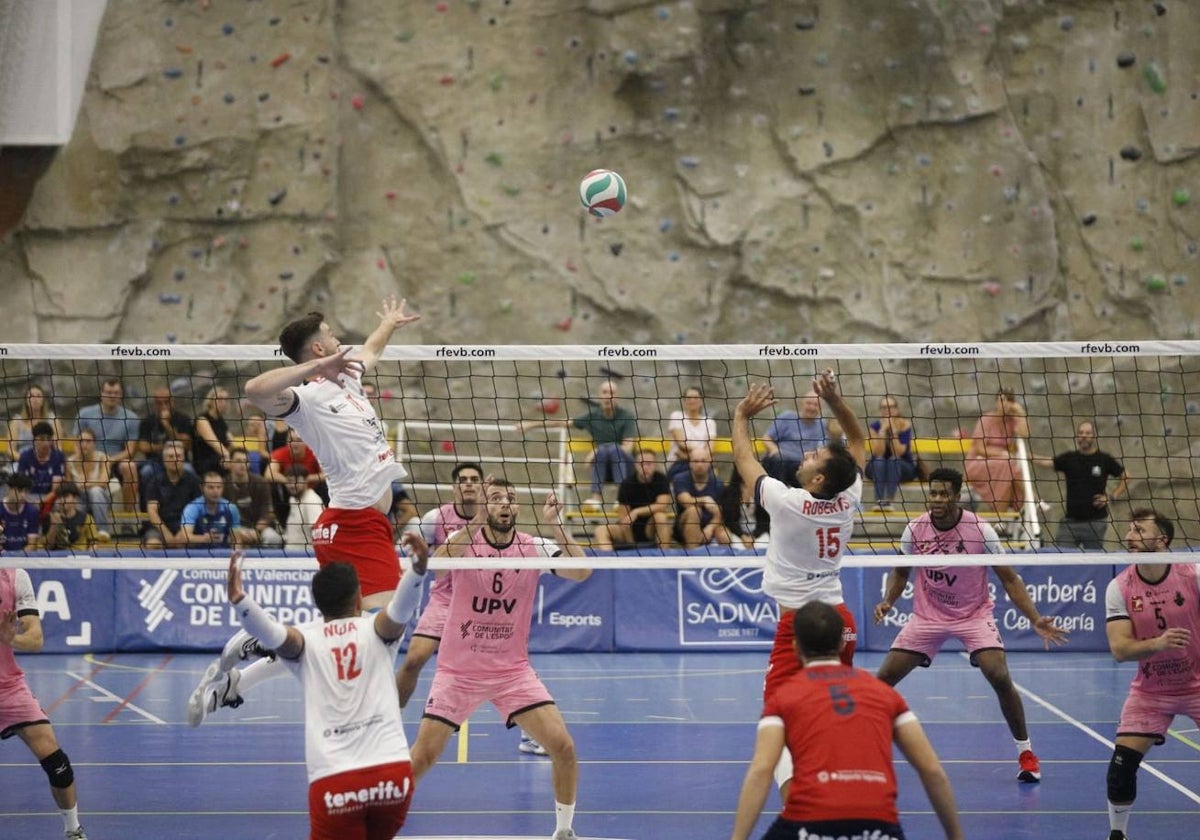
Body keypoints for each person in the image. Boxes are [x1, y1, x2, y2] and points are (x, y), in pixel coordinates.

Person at [189, 299, 419, 723]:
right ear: (318, 350)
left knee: (352, 636)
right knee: (383, 634)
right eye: (329, 334)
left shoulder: (347, 376)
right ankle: (264, 646)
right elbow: (255, 391)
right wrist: (315, 371)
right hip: (355, 523)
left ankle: (245, 672)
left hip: (356, 522)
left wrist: (387, 323)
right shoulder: (306, 399)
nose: (336, 338)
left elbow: (371, 348)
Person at [409, 479, 590, 840]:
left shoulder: (533, 547)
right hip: (459, 671)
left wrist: (556, 525)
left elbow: (582, 571)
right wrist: (473, 523)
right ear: (485, 507)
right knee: (423, 757)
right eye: (495, 499)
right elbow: (437, 563)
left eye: (511, 499)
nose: (504, 504)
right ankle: (375, 821)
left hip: (511, 672)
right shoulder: (466, 544)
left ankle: (564, 831)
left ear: (518, 508)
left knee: (563, 747)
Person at [219, 540, 429, 840]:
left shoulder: (305, 640)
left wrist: (242, 602)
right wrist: (417, 571)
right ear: (359, 598)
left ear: (318, 605)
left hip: (336, 781)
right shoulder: (376, 630)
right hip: (392, 774)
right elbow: (400, 610)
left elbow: (271, 633)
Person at [872, 467, 1070, 783]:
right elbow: (900, 572)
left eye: (943, 493)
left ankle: (1026, 753)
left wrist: (1034, 618)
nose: (936, 499)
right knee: (881, 681)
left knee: (999, 674)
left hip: (973, 616)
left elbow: (1009, 579)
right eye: (933, 492)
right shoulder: (915, 529)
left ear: (956, 494)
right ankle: (860, 748)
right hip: (927, 617)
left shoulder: (980, 530)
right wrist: (888, 601)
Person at [731, 371, 865, 793]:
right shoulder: (848, 498)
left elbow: (743, 461)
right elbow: (860, 444)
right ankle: (837, 787)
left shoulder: (789, 503)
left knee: (775, 720)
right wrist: (837, 402)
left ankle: (799, 810)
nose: (806, 456)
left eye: (813, 458)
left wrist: (740, 416)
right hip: (841, 621)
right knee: (831, 711)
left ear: (817, 480)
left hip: (798, 629)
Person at [730, 601, 962, 840]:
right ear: (843, 643)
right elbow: (932, 770)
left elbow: (761, 771)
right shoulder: (885, 694)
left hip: (809, 824)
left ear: (795, 647)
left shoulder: (783, 697)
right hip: (878, 828)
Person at [396, 463, 554, 757]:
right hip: (446, 598)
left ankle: (531, 732)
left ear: (484, 488)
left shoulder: (503, 521)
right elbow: (415, 552)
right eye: (463, 481)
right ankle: (389, 721)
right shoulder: (436, 518)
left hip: (482, 601)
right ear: (455, 487)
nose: (469, 485)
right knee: (414, 657)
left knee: (508, 660)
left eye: (474, 480)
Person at [1102, 509, 1199, 840]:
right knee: (1119, 770)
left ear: (1162, 540)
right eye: (1129, 530)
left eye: (1139, 530)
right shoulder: (1119, 587)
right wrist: (1158, 643)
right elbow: (1119, 650)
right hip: (1151, 692)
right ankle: (1118, 834)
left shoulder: (1193, 575)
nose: (1129, 536)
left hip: (1198, 684)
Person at [0, 563, 90, 839]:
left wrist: (11, 638)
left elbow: (36, 639)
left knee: (57, 762)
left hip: (8, 688)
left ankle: (73, 830)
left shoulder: (15, 577)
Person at [518, 379, 637, 508]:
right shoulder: (593, 416)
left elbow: (628, 448)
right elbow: (562, 422)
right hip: (604, 469)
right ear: (600, 396)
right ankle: (596, 499)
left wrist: (598, 450)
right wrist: (530, 424)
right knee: (603, 451)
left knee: (611, 449)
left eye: (612, 392)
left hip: (626, 468)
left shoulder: (627, 416)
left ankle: (622, 498)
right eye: (605, 392)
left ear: (617, 397)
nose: (608, 396)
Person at [1032, 420, 1129, 550]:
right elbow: (1048, 462)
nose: (1083, 435)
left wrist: (1111, 496)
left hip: (1095, 523)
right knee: (1061, 557)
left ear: (1094, 436)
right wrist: (1026, 456)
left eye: (1087, 433)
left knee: (1093, 563)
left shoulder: (1103, 459)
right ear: (1077, 437)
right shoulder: (1069, 458)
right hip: (1070, 523)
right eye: (1081, 433)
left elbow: (1126, 476)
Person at [72, 377, 141, 514]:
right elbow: (75, 441)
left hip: (115, 461)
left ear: (121, 395)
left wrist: (109, 460)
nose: (112, 396)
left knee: (130, 466)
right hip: (89, 459)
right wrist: (81, 459)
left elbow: (130, 450)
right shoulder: (85, 414)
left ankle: (128, 516)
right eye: (109, 392)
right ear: (101, 393)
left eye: (116, 393)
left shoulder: (131, 417)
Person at [591, 446, 672, 550]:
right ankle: (609, 563)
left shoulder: (661, 480)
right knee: (600, 530)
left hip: (650, 528)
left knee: (661, 517)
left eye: (649, 463)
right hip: (630, 530)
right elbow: (624, 519)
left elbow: (661, 505)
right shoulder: (627, 484)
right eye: (641, 463)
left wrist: (637, 512)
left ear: (655, 465)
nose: (645, 467)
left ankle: (664, 559)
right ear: (635, 465)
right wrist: (632, 545)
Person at [964, 388, 1029, 517]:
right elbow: (979, 449)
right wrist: (1001, 454)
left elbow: (1025, 434)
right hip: (978, 463)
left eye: (1009, 401)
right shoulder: (986, 420)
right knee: (1007, 465)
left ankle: (1000, 518)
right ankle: (1032, 498)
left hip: (1002, 465)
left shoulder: (1012, 421)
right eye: (1001, 400)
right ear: (996, 402)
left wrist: (1021, 413)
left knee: (1007, 468)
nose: (1004, 403)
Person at [759, 388, 827, 487]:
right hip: (781, 462)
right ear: (802, 404)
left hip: (803, 466)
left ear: (821, 408)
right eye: (809, 403)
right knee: (778, 460)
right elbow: (766, 437)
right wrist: (775, 451)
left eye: (816, 405)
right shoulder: (787, 417)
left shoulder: (823, 425)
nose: (812, 407)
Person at [671, 445, 733, 549]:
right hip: (683, 526)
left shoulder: (718, 483)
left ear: (709, 463)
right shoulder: (680, 478)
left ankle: (723, 564)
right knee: (694, 511)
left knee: (725, 536)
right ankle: (694, 557)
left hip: (709, 524)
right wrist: (704, 500)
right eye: (695, 461)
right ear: (690, 463)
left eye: (703, 461)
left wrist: (711, 527)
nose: (699, 464)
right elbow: (685, 500)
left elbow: (719, 512)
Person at [143, 440, 202, 548]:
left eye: (178, 456)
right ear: (164, 460)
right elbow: (152, 511)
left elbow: (198, 509)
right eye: (170, 456)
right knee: (153, 544)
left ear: (183, 459)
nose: (175, 459)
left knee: (189, 540)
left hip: (187, 526)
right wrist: (166, 534)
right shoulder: (154, 481)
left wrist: (183, 533)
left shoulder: (194, 481)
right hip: (161, 526)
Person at [865, 395, 918, 508]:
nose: (887, 410)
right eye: (884, 407)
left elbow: (898, 453)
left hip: (903, 467)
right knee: (880, 461)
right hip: (877, 468)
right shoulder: (874, 426)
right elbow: (878, 452)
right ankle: (879, 501)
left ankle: (889, 500)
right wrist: (883, 431)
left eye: (891, 407)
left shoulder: (905, 425)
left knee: (893, 460)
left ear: (897, 409)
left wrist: (893, 432)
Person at [223, 446, 282, 546]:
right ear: (230, 463)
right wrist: (238, 532)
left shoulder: (261, 483)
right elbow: (223, 516)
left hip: (258, 528)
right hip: (234, 530)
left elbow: (267, 514)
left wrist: (256, 531)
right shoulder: (223, 485)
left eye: (245, 461)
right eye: (238, 461)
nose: (242, 464)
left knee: (274, 539)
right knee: (230, 540)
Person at [135, 386, 194, 483]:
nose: (163, 406)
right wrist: (165, 447)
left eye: (166, 402)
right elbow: (143, 447)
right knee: (146, 472)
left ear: (172, 402)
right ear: (154, 404)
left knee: (189, 470)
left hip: (180, 461)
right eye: (159, 403)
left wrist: (166, 425)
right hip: (155, 462)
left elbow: (187, 445)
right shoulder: (147, 421)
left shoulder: (183, 419)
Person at [66, 428, 113, 535]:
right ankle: (78, 535)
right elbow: (69, 487)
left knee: (96, 491)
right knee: (72, 500)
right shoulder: (70, 462)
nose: (84, 444)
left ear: (94, 443)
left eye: (88, 441)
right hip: (80, 498)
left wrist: (83, 484)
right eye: (81, 441)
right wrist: (80, 487)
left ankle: (102, 531)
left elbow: (104, 482)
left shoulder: (103, 458)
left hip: (101, 498)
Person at [665, 386, 717, 479]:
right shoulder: (676, 416)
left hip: (702, 465)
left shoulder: (709, 422)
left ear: (701, 400)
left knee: (715, 483)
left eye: (696, 397)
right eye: (689, 398)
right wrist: (700, 454)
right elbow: (681, 443)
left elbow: (710, 449)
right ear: (684, 401)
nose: (692, 400)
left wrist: (686, 455)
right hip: (679, 464)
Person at [180, 471, 240, 548]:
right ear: (202, 488)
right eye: (211, 487)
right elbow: (185, 537)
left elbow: (237, 540)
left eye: (219, 487)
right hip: (198, 556)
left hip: (224, 556)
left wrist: (235, 555)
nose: (215, 491)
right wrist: (204, 539)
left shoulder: (231, 508)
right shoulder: (192, 508)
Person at [42, 483, 106, 550]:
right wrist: (54, 526)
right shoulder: (50, 517)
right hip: (56, 557)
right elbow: (48, 547)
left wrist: (88, 555)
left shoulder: (87, 518)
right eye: (59, 497)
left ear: (75, 498)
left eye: (66, 496)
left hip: (79, 557)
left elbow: (94, 544)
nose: (62, 500)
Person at [16, 421, 67, 504]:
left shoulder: (58, 456)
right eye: (42, 439)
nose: (46, 443)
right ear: (34, 440)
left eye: (49, 439)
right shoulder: (25, 456)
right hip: (28, 497)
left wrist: (41, 502)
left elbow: (55, 490)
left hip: (50, 498)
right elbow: (21, 488)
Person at [7, 384, 64, 458]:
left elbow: (58, 448)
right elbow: (10, 450)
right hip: (22, 461)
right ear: (26, 400)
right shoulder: (16, 422)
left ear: (43, 400)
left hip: (47, 462)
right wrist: (26, 460)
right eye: (31, 396)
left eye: (38, 396)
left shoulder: (53, 420)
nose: (35, 399)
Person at [190, 386, 232, 478]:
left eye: (226, 400)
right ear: (210, 401)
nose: (223, 403)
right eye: (220, 399)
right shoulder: (202, 419)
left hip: (220, 460)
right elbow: (214, 443)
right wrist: (227, 456)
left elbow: (230, 442)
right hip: (205, 462)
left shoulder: (222, 422)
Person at [1, 473, 42, 551]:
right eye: (19, 490)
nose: (23, 495)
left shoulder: (32, 511)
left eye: (26, 491)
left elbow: (32, 545)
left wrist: (17, 559)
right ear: (9, 489)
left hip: (23, 559)